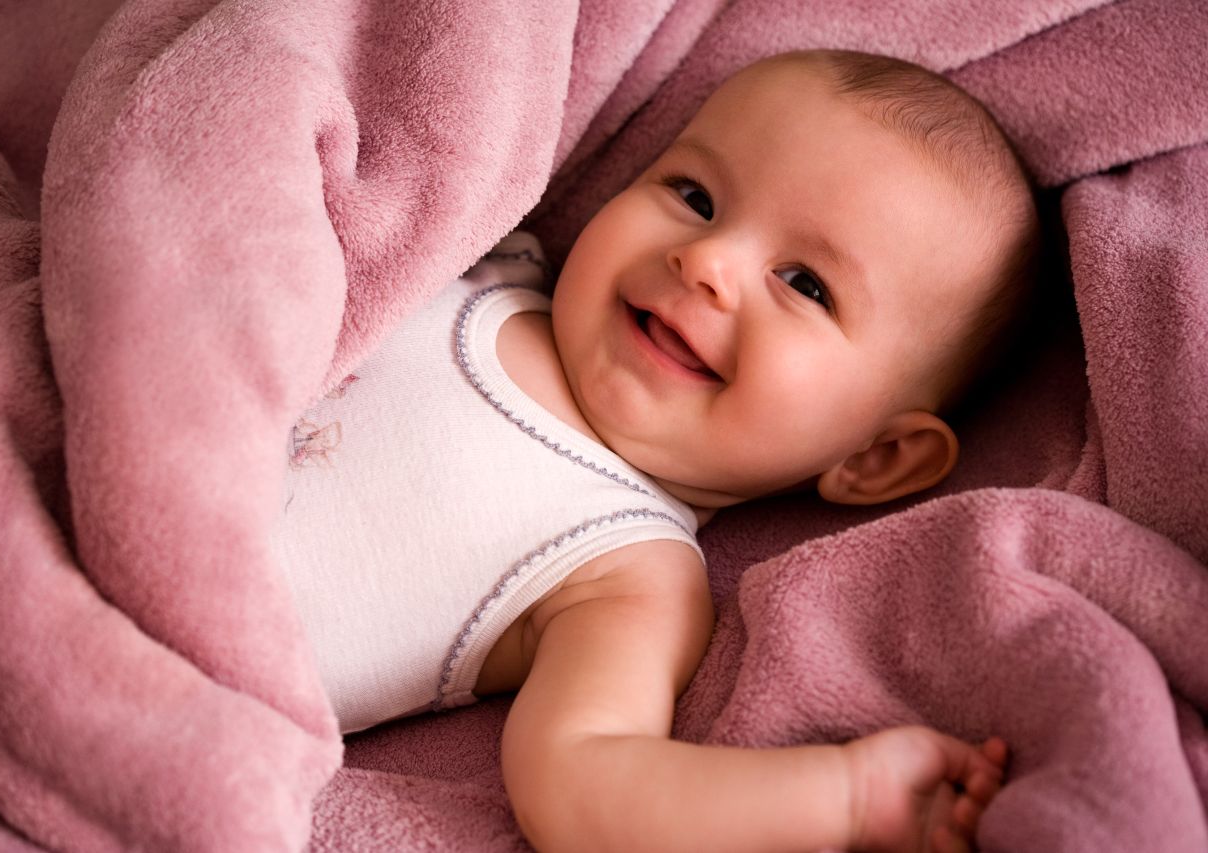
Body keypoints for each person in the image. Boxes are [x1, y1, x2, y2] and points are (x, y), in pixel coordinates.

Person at [274, 48, 1040, 852]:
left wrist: (847, 799)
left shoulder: (628, 573)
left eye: (805, 284)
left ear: (876, 458)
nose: (707, 261)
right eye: (694, 195)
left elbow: (584, 782)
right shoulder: (482, 250)